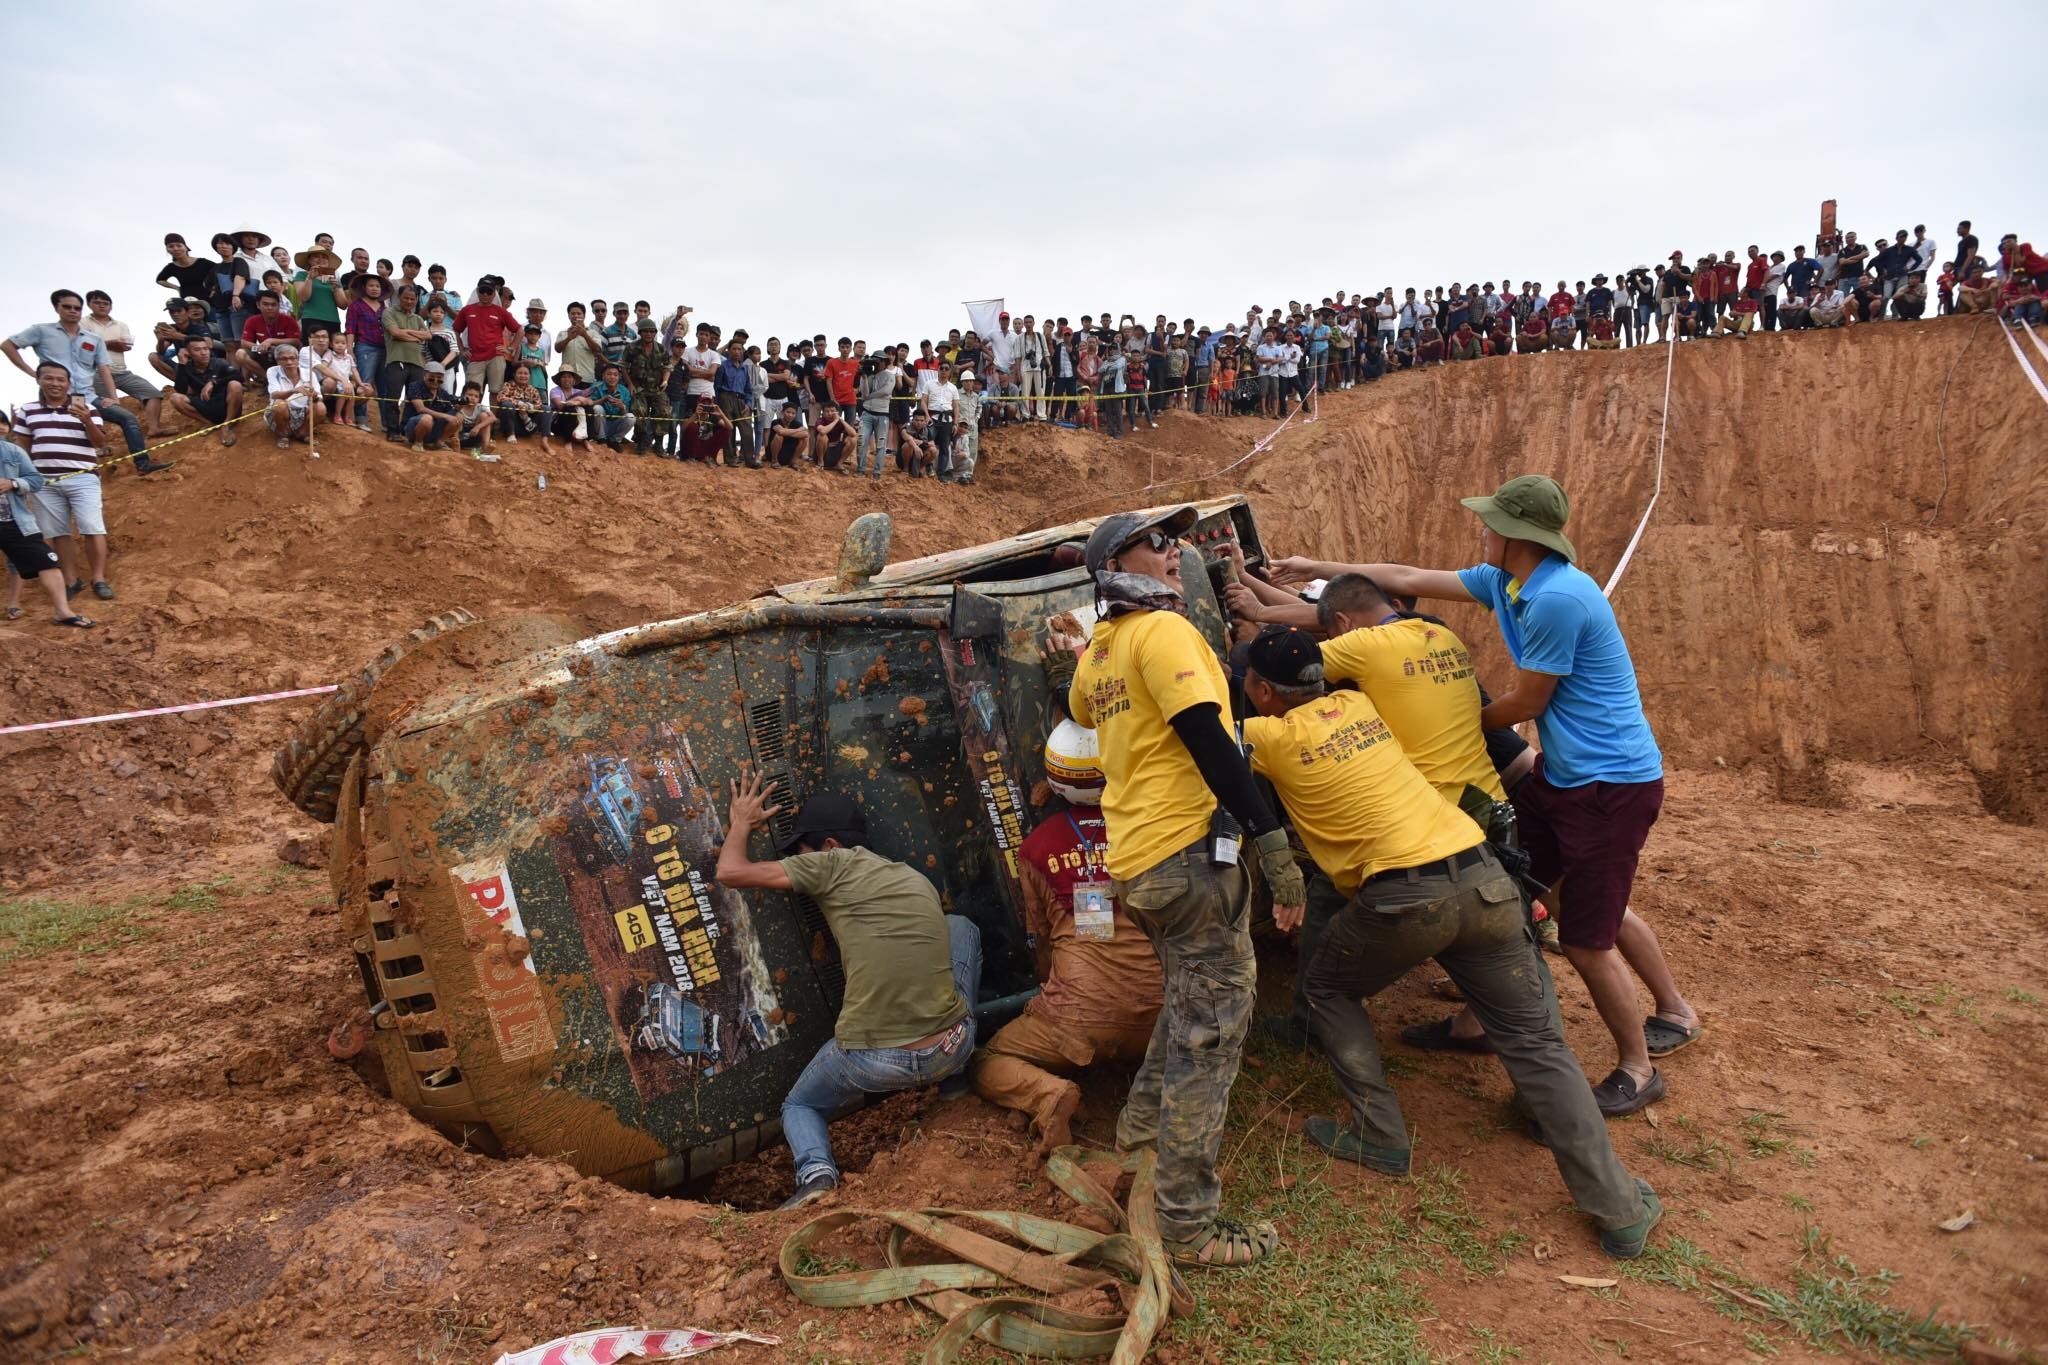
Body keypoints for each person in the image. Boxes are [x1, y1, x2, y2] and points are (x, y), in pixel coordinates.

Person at [1273, 476, 1701, 1116]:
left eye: (1491, 523)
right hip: (1567, 777)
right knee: (1522, 890)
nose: (1483, 530)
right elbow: (1407, 574)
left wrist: (1436, 716)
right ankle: (1504, 1020)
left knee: (1585, 936)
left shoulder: (1557, 600)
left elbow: (1529, 702)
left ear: (1518, 535)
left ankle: (1638, 1068)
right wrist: (1314, 567)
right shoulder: (1510, 581)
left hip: (1609, 785)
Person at [1236, 626, 1664, 1259]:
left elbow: (1202, 735)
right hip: (1485, 879)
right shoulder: (1359, 706)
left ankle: (1379, 1131)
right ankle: (1620, 1207)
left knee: (1328, 987)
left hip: (1403, 898)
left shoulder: (1266, 736)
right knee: (1537, 1042)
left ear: (1261, 690)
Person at [1054, 506, 1305, 1269]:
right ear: (1117, 562)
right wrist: (1272, 839)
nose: (1176, 551)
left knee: (1191, 1000)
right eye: (1158, 542)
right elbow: (1208, 743)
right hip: (1189, 855)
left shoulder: (1100, 653)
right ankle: (1188, 1222)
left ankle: (1137, 1136)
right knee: (1217, 1025)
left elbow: (1082, 710)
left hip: (1138, 861)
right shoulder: (1163, 633)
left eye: (1175, 539)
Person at [715, 773, 980, 1211]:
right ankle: (956, 1084)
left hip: (876, 1062)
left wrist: (742, 821)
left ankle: (817, 1175)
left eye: (802, 851)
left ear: (831, 846)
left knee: (799, 1104)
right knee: (961, 929)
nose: (800, 861)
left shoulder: (832, 864)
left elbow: (731, 871)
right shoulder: (911, 878)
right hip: (953, 1045)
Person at [971, 718, 1163, 1151]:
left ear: (1053, 783)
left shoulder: (1036, 847)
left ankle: (1048, 1094)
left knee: (986, 1059)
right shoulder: (1152, 824)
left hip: (1080, 1021)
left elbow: (1040, 940)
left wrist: (1051, 992)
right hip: (1164, 1013)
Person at [5, 290, 168, 474]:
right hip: (55, 397)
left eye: (77, 308)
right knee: (57, 434)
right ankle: (37, 473)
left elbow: (104, 368)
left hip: (86, 395)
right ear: (56, 308)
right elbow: (8, 345)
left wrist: (113, 397)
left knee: (128, 418)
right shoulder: (41, 331)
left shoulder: (93, 339)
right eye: (67, 307)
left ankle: (143, 464)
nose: (73, 311)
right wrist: (33, 373)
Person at [13, 362, 115, 601]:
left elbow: (100, 443)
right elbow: (24, 448)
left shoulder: (87, 408)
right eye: (49, 378)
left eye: (61, 379)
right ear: (39, 381)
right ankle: (71, 580)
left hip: (83, 477)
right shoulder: (27, 410)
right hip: (45, 482)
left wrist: (87, 420)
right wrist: (29, 477)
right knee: (58, 533)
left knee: (93, 528)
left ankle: (99, 579)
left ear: (69, 383)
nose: (55, 383)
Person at [0, 416, 91, 627]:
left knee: (47, 561)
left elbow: (36, 480)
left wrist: (13, 483)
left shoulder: (13, 452)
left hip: (15, 520)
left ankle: (63, 611)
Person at [81, 291, 167, 439]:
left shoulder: (120, 325)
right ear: (89, 304)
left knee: (152, 393)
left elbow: (127, 346)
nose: (102, 306)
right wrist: (110, 343)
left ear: (111, 306)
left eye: (105, 303)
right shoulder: (83, 323)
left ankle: (154, 429)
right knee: (101, 408)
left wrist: (102, 343)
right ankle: (100, 444)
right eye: (97, 303)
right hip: (96, 372)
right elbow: (83, 346)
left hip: (121, 370)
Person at [167, 334, 244, 445]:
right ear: (188, 353)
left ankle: (227, 424)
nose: (203, 353)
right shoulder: (185, 367)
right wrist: (182, 364)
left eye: (205, 349)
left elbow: (239, 377)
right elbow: (181, 390)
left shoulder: (219, 362)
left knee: (235, 384)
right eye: (197, 350)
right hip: (205, 406)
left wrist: (213, 382)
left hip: (226, 405)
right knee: (175, 398)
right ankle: (208, 423)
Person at [263, 343, 319, 449]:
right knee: (279, 405)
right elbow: (274, 395)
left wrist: (314, 395)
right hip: (282, 412)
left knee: (320, 408)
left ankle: (302, 433)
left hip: (303, 411)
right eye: (284, 359)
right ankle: (283, 435)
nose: (289, 362)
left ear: (297, 359)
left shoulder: (309, 373)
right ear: (278, 361)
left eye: (292, 358)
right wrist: (293, 390)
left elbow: (318, 397)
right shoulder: (272, 371)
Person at [403, 361, 462, 450]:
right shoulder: (415, 386)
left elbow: (451, 413)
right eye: (431, 378)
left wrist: (459, 406)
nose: (435, 381)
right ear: (425, 375)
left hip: (433, 431)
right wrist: (446, 416)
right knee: (427, 418)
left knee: (459, 416)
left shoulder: (443, 393)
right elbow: (420, 409)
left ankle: (440, 442)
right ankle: (418, 442)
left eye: (439, 379)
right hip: (413, 429)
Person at [587, 362, 634, 451]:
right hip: (598, 425)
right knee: (597, 408)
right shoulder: (596, 386)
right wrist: (603, 399)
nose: (612, 377)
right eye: (609, 374)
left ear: (619, 377)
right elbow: (589, 404)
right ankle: (601, 439)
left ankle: (615, 440)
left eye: (615, 375)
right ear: (603, 376)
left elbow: (625, 413)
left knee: (631, 417)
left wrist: (621, 407)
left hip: (615, 425)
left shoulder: (624, 390)